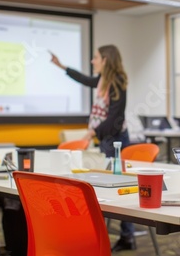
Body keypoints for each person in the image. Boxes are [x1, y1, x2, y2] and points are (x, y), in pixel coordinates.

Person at [49, 45, 136, 252]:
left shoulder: (117, 83)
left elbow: (116, 119)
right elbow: (84, 79)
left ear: (105, 59)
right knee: (111, 184)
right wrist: (61, 66)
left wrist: (91, 133)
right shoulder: (102, 81)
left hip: (115, 139)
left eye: (95, 57)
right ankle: (124, 236)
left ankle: (126, 236)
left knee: (118, 186)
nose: (92, 61)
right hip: (106, 138)